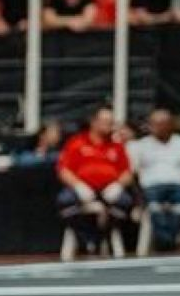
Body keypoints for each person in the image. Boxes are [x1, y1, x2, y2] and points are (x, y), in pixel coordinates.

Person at [57, 106, 134, 254]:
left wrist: (118, 185)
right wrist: (78, 186)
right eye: (106, 122)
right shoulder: (76, 142)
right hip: (82, 188)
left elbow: (127, 172)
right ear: (94, 122)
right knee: (64, 201)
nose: (110, 126)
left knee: (125, 202)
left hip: (109, 189)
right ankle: (88, 239)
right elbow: (64, 170)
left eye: (112, 122)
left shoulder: (117, 146)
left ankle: (103, 236)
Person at [128, 109, 180, 252]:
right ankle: (165, 242)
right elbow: (132, 173)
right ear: (150, 125)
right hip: (151, 187)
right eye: (156, 124)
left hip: (179, 186)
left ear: (171, 125)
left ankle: (170, 239)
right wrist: (138, 198)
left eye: (163, 124)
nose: (160, 127)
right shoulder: (140, 146)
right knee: (155, 207)